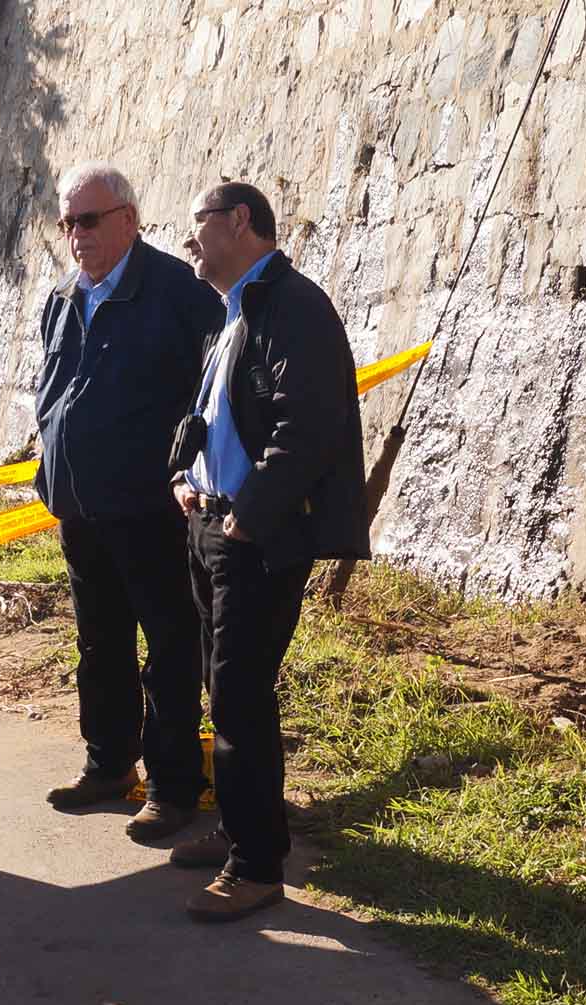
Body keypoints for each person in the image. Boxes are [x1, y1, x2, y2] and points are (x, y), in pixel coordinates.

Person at [167, 181, 370, 923]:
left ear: (240, 222)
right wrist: (183, 477)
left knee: (242, 697)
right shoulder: (235, 311)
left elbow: (306, 431)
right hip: (211, 528)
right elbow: (211, 420)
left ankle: (257, 867)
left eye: (199, 225)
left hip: (251, 541)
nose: (189, 241)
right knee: (225, 693)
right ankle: (241, 826)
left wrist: (247, 519)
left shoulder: (292, 306)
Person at [33, 162, 224, 844]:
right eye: (66, 222)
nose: (75, 235)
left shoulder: (177, 292)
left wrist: (183, 472)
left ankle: (172, 788)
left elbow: (212, 395)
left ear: (128, 220)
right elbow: (53, 389)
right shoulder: (63, 296)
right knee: (100, 643)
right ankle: (108, 764)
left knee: (169, 647)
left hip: (149, 509)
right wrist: (48, 467)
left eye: (88, 220)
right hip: (81, 507)